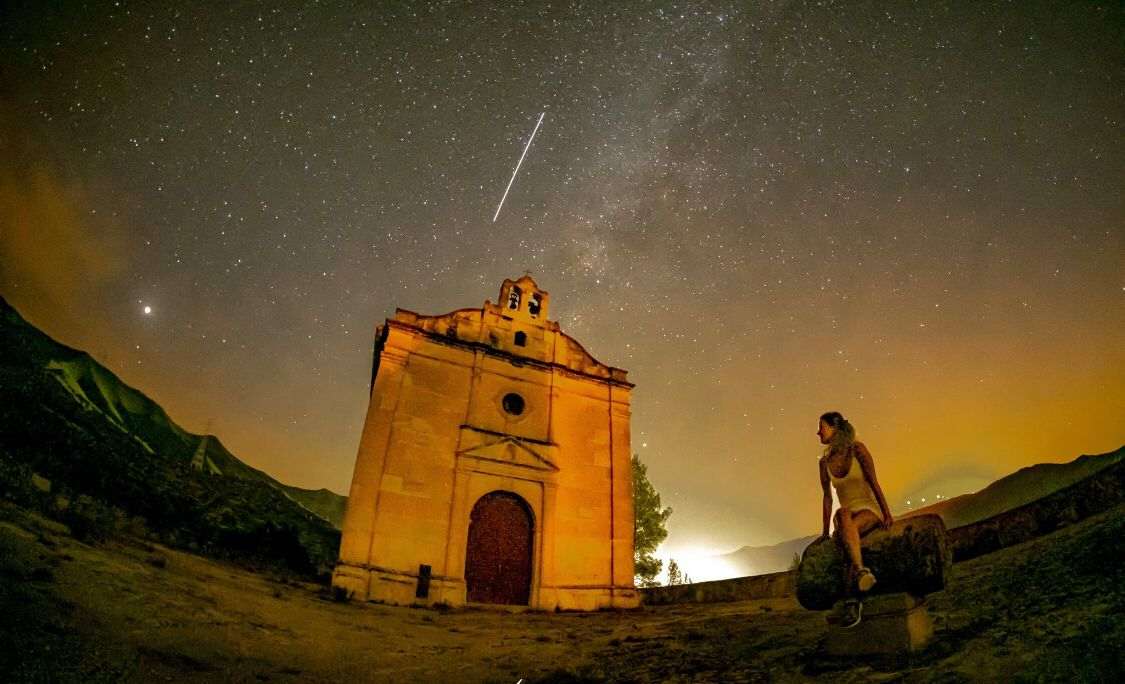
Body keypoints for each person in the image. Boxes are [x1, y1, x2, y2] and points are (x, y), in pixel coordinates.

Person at [816, 411, 893, 627]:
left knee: (844, 534)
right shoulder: (824, 463)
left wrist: (886, 513)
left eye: (822, 427)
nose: (818, 432)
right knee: (841, 515)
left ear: (836, 428)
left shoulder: (858, 450)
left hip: (868, 509)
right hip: (846, 514)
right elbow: (827, 498)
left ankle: (852, 601)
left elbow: (874, 482)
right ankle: (860, 572)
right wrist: (823, 532)